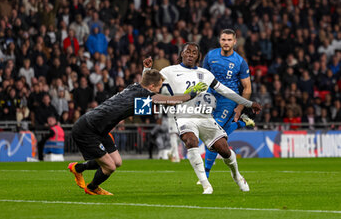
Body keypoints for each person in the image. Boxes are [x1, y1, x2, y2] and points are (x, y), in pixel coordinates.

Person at [143, 42, 261, 194]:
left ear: (198, 56)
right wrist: (146, 69)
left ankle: (237, 175)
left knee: (224, 150)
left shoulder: (206, 74)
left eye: (194, 52)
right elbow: (148, 85)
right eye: (188, 51)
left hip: (205, 117)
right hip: (184, 116)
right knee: (190, 141)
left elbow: (226, 91)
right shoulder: (170, 71)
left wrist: (248, 103)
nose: (191, 54)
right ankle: (206, 185)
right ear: (182, 54)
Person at [68, 68, 207, 195]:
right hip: (87, 129)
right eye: (158, 88)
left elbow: (145, 83)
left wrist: (146, 69)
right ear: (151, 87)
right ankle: (92, 188)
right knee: (110, 167)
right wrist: (191, 94)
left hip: (100, 129)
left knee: (117, 162)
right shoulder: (146, 95)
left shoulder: (134, 87)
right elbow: (171, 101)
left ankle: (78, 168)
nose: (158, 91)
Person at [201, 29, 254, 180]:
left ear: (234, 42)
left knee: (214, 132)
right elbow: (203, 78)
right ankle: (239, 124)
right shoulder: (211, 56)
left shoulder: (239, 62)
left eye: (229, 40)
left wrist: (240, 107)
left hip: (229, 100)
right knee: (217, 132)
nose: (226, 42)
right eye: (224, 39)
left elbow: (247, 87)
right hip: (211, 98)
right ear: (220, 40)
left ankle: (205, 173)